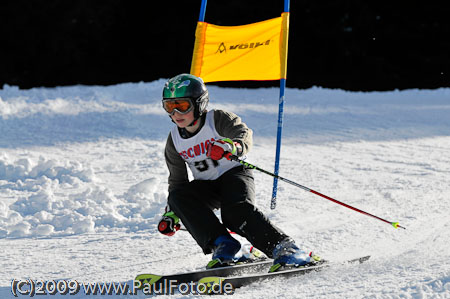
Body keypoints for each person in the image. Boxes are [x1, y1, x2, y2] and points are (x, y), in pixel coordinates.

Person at [158, 73, 318, 270]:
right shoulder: (174, 140)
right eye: (169, 106)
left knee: (235, 212)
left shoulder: (217, 119)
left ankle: (286, 248)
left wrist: (232, 147)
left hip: (234, 174)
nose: (175, 113)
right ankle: (225, 245)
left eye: (182, 106)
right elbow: (177, 181)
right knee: (178, 196)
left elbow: (244, 134)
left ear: (199, 104)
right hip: (207, 186)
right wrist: (173, 212)